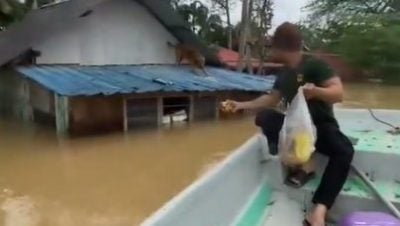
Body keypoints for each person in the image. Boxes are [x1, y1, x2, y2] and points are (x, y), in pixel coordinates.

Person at [224, 22, 354, 226]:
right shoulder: (284, 74)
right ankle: (300, 163)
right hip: (297, 130)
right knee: (264, 118)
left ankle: (318, 210)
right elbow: (270, 100)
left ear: (279, 48)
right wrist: (240, 105)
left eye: (272, 47)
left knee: (344, 151)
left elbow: (338, 94)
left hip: (320, 126)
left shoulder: (315, 66)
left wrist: (316, 92)